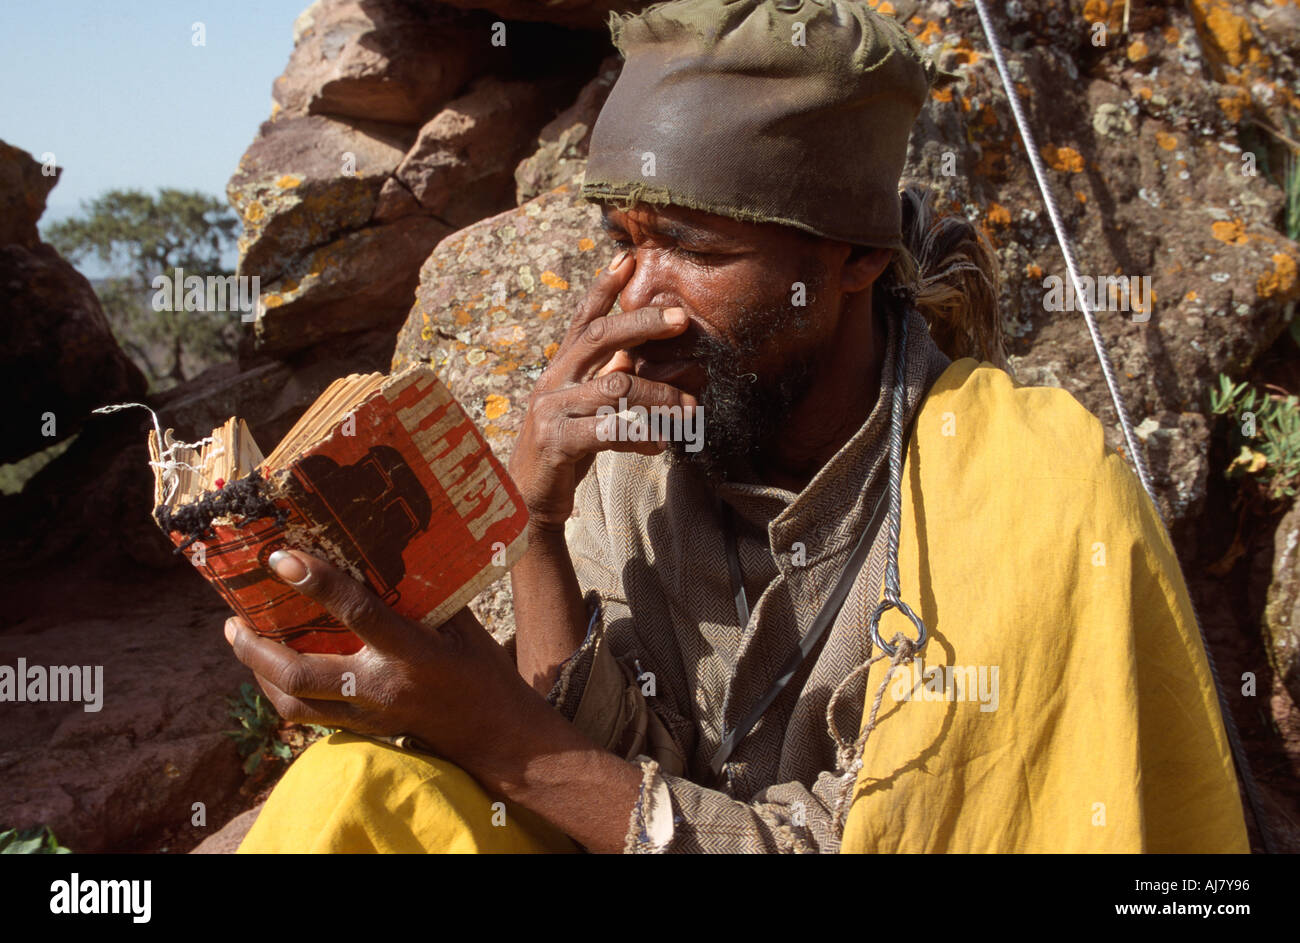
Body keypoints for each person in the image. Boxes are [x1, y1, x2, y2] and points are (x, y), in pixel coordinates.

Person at [225, 0, 1248, 853]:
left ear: (855, 260)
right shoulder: (641, 446)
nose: (636, 297)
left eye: (691, 249)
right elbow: (625, 762)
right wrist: (530, 521)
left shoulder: (1024, 491)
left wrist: (498, 736)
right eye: (620, 242)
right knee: (346, 796)